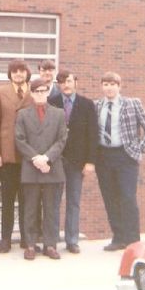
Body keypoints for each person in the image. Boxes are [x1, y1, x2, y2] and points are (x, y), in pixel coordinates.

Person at [95, 72, 145, 251]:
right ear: (102, 87)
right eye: (105, 84)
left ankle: (133, 240)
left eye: (112, 84)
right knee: (110, 198)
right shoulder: (96, 106)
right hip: (104, 157)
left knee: (127, 198)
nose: (109, 87)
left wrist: (140, 148)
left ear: (119, 86)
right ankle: (118, 238)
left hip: (126, 156)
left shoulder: (132, 103)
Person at [15, 78, 67, 260]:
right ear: (31, 93)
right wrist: (36, 158)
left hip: (52, 167)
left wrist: (47, 158)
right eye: (36, 91)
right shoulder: (22, 114)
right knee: (30, 208)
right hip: (31, 167)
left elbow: (62, 140)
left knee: (51, 208)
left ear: (47, 92)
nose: (40, 94)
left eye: (43, 90)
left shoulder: (59, 113)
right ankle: (30, 244)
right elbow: (19, 140)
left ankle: (50, 245)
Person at [49, 70, 98, 254]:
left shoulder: (87, 104)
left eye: (69, 81)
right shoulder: (51, 103)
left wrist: (90, 161)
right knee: (53, 201)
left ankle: (72, 240)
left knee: (73, 201)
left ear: (75, 82)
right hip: (56, 161)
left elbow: (93, 135)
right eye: (62, 82)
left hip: (78, 162)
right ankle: (52, 240)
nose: (66, 85)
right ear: (59, 85)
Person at [0, 60, 33, 253]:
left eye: (21, 71)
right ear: (10, 74)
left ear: (27, 73)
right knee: (7, 198)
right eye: (14, 71)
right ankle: (6, 238)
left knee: (27, 199)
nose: (18, 74)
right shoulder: (0, 93)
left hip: (28, 155)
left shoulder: (35, 92)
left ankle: (26, 237)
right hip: (7, 154)